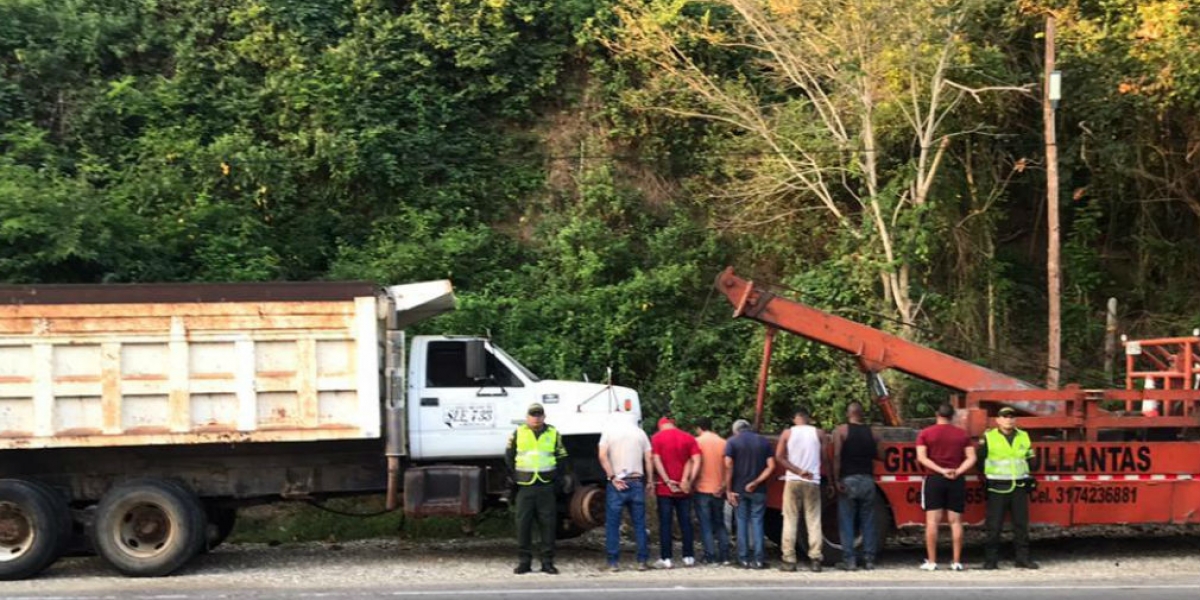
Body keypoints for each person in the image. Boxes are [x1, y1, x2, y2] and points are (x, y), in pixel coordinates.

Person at [506, 402, 571, 575]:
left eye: (539, 415)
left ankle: (547, 562)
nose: (536, 418)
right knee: (523, 525)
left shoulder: (553, 433)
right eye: (533, 415)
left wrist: (558, 477)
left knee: (548, 525)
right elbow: (509, 456)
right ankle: (524, 562)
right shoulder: (518, 432)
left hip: (546, 485)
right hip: (525, 486)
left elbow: (562, 456)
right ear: (527, 417)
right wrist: (515, 476)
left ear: (544, 417)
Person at [915, 402, 976, 572]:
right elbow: (971, 458)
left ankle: (932, 562)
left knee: (932, 522)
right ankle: (956, 562)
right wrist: (957, 471)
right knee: (956, 522)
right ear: (953, 416)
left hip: (934, 479)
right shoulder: (962, 435)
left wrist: (941, 470)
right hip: (956, 480)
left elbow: (922, 458)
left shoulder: (925, 433)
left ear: (937, 414)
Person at [980, 406, 1038, 570]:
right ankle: (991, 561)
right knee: (994, 526)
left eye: (1012, 417)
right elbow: (980, 460)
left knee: (1021, 525)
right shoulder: (989, 437)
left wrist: (1032, 465)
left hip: (1019, 486)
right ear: (998, 420)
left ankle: (1023, 559)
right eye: (1005, 417)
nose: (1009, 420)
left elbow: (1030, 456)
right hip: (997, 488)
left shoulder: (1023, 436)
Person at [597, 412, 654, 572]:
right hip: (636, 481)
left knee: (613, 524)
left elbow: (602, 456)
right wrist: (650, 481)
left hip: (617, 484)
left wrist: (612, 476)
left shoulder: (609, 432)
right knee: (640, 524)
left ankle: (613, 563)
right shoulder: (640, 433)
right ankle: (642, 561)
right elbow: (649, 458)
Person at [775, 406, 828, 573]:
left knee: (790, 520)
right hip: (813, 480)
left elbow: (779, 457)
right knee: (813, 520)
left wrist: (797, 471)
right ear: (808, 417)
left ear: (794, 418)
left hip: (793, 480)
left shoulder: (787, 433)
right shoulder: (819, 433)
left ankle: (789, 560)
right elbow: (825, 457)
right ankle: (815, 559)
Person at [832, 401, 880, 571]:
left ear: (848, 414)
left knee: (847, 521)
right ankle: (869, 560)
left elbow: (837, 456)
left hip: (849, 480)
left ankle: (850, 561)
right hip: (867, 480)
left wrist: (836, 480)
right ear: (862, 414)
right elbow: (880, 455)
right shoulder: (873, 432)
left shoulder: (841, 431)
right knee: (868, 521)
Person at [723, 418, 775, 569]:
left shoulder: (732, 442)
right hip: (758, 490)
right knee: (757, 521)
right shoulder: (764, 442)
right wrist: (756, 482)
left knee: (741, 521)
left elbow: (728, 465)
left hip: (738, 489)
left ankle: (743, 558)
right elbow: (771, 466)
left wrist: (728, 489)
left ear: (736, 430)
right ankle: (759, 559)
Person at [650, 416, 701, 569]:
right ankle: (689, 557)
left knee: (665, 524)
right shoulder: (688, 437)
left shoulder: (656, 438)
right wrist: (689, 481)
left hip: (665, 490)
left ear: (661, 426)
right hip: (684, 489)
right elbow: (696, 460)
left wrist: (666, 480)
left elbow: (656, 460)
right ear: (673, 424)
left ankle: (667, 559)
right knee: (686, 522)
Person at [692, 417, 730, 565]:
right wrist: (724, 485)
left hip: (702, 488)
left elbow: (694, 463)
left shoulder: (697, 442)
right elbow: (729, 466)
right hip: (718, 490)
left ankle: (710, 555)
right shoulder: (723, 442)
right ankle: (725, 555)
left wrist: (690, 482)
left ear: (699, 428)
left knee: (705, 524)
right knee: (719, 523)